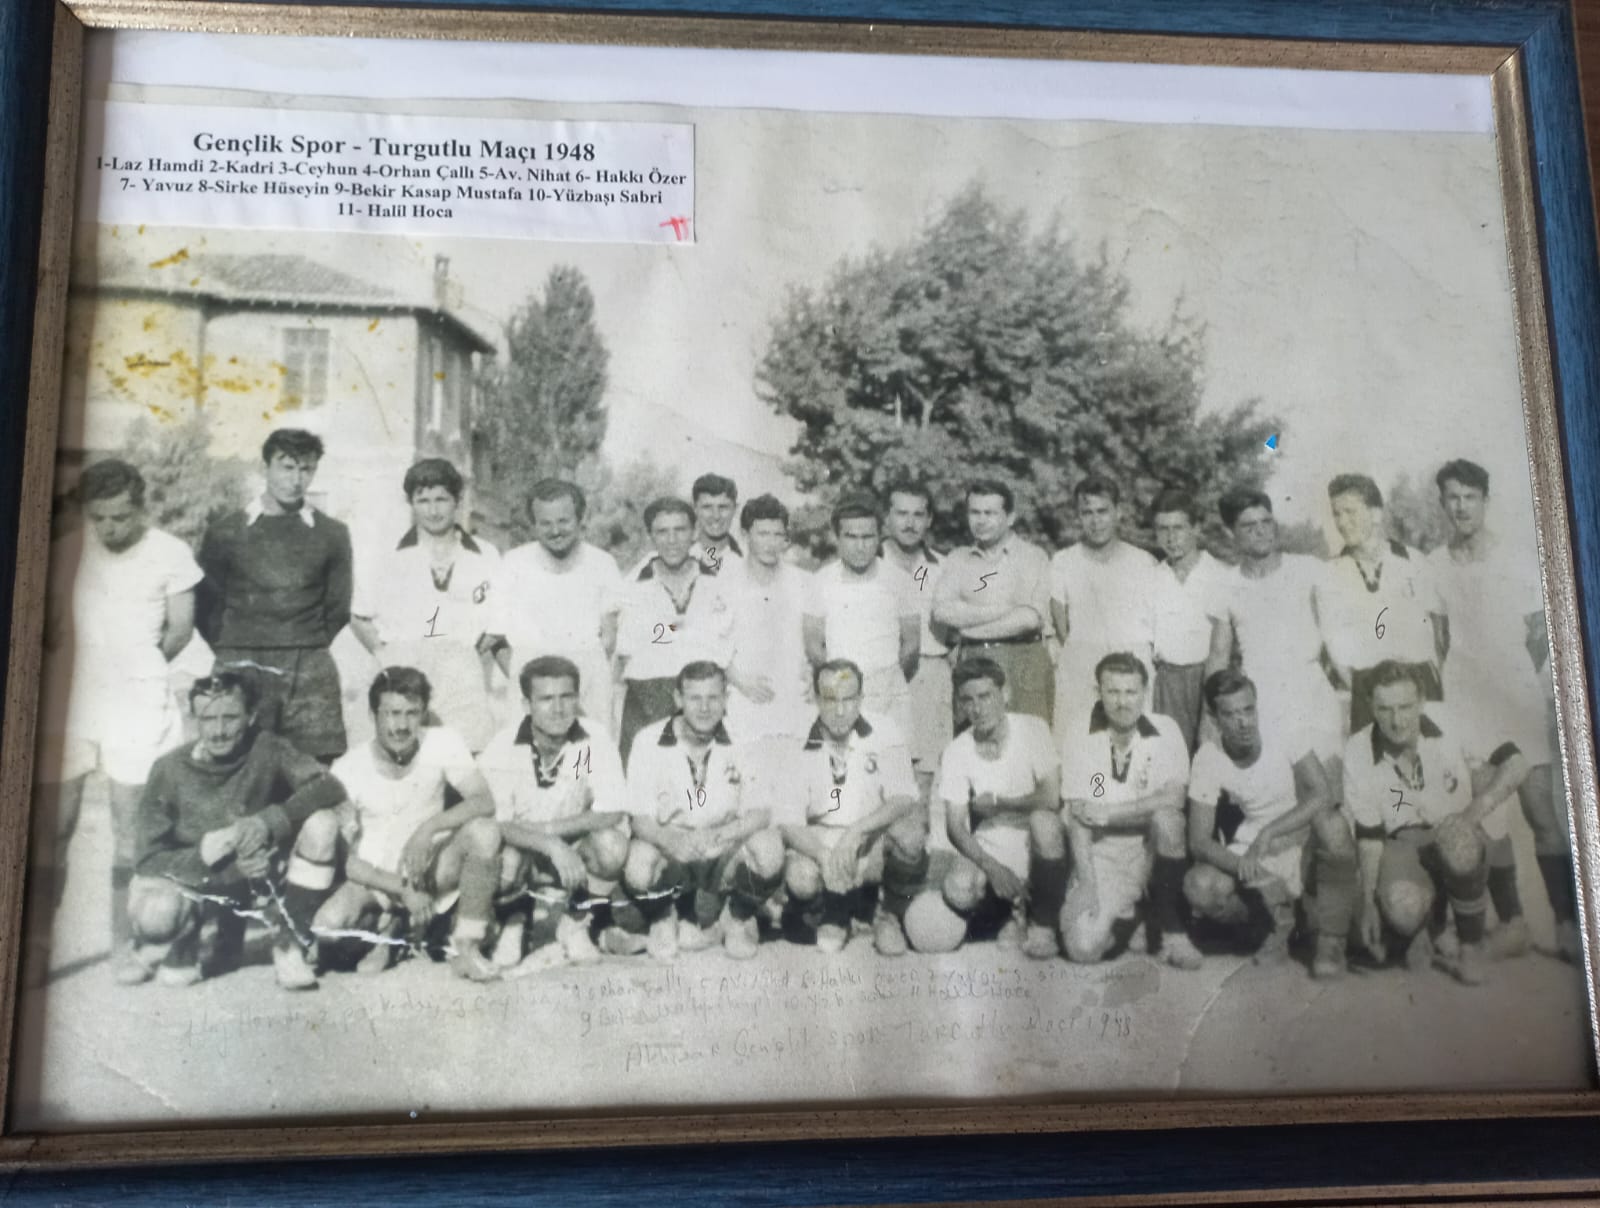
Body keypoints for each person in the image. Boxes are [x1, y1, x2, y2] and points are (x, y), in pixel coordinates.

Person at [31, 459, 202, 976]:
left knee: (130, 831)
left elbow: (180, 630)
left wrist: (138, 667)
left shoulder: (171, 553)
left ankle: (122, 946)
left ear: (141, 507)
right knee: (55, 827)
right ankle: (36, 944)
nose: (109, 528)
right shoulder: (66, 551)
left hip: (138, 701)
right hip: (73, 698)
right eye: (99, 518)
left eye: (121, 517)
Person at [1429, 458, 1577, 962]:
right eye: (1452, 497)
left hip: (1514, 694)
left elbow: (1539, 634)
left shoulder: (1515, 556)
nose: (1461, 506)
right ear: (1442, 503)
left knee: (1540, 811)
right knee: (1488, 816)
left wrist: (1514, 683)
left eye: (1470, 496)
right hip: (1467, 703)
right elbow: (1441, 640)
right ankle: (1513, 921)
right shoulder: (1436, 564)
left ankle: (1566, 923)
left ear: (1485, 501)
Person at [124, 672, 347, 988]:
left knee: (323, 824)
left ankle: (289, 943)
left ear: (251, 716)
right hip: (203, 876)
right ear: (195, 719)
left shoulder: (267, 747)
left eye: (229, 718)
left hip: (260, 870)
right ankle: (184, 943)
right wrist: (213, 861)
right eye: (208, 719)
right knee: (158, 916)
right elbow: (148, 860)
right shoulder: (169, 768)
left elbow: (328, 785)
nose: (218, 731)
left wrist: (269, 820)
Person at [301, 667, 503, 985]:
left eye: (412, 713)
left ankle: (467, 946)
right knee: (328, 927)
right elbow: (346, 860)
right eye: (392, 714)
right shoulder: (349, 767)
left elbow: (483, 801)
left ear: (423, 714)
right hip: (376, 882)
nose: (402, 725)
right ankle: (397, 929)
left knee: (485, 832)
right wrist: (400, 889)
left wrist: (428, 829)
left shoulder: (442, 742)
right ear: (373, 715)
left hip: (430, 871)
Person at [1344, 661, 1529, 986]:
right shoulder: (1358, 749)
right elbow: (1369, 836)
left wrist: (1470, 814)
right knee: (1401, 911)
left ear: (1421, 701)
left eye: (1405, 707)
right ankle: (1433, 925)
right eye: (1385, 709)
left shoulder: (1452, 720)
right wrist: (1370, 901)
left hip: (1459, 835)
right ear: (1371, 705)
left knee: (1458, 836)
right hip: (1406, 842)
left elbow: (1517, 763)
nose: (1397, 720)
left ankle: (1470, 946)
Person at [1184, 669, 1357, 978]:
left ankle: (1330, 939)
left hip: (1303, 839)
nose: (1244, 722)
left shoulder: (1282, 728)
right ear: (1214, 718)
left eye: (1248, 709)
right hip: (1256, 848)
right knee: (1199, 886)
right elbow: (1199, 841)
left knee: (1334, 826)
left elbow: (1322, 795)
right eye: (1231, 714)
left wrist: (1269, 832)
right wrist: (1250, 869)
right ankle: (1272, 924)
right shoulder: (1208, 757)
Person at [196, 428, 353, 761]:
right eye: (287, 467)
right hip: (240, 661)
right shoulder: (225, 532)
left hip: (308, 664)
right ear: (265, 467)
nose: (296, 480)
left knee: (313, 769)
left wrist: (301, 642)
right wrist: (236, 645)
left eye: (306, 469)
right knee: (237, 762)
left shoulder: (332, 534)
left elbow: (337, 608)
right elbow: (206, 606)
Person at [619, 661, 783, 960]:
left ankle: (736, 918)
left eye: (713, 698)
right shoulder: (648, 740)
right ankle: (663, 917)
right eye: (695, 698)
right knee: (638, 864)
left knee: (769, 849)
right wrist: (673, 841)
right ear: (678, 699)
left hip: (721, 848)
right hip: (674, 850)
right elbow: (640, 820)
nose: (704, 708)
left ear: (726, 698)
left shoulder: (744, 737)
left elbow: (761, 812)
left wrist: (721, 835)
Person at [478, 656, 629, 970]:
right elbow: (498, 823)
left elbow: (611, 810)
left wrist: (552, 835)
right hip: (521, 849)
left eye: (566, 697)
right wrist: (549, 844)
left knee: (612, 846)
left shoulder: (594, 737)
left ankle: (575, 922)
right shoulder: (502, 746)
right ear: (526, 704)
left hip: (571, 847)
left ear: (577, 698)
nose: (558, 709)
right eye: (546, 699)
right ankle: (514, 921)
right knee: (503, 858)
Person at [350, 458, 503, 752]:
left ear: (457, 501)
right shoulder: (387, 555)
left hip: (460, 673)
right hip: (402, 669)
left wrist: (467, 652)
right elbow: (359, 615)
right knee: (401, 756)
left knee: (464, 753)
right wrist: (386, 654)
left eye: (441, 500)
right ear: (411, 503)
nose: (433, 511)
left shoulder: (485, 554)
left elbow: (500, 619)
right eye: (423, 501)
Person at [915, 658, 1063, 957]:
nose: (977, 709)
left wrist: (998, 803)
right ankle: (1011, 914)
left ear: (1004, 694)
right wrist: (993, 868)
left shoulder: (1033, 729)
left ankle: (1042, 923)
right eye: (967, 700)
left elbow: (1051, 797)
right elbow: (955, 827)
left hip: (1037, 844)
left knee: (1044, 823)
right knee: (958, 889)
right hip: (991, 846)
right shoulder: (957, 750)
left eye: (985, 696)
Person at [777, 660, 927, 955]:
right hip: (822, 839)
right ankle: (831, 913)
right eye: (830, 699)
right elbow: (788, 822)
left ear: (861, 698)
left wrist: (857, 831)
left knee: (910, 835)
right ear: (816, 699)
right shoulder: (796, 737)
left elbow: (904, 798)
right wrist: (823, 855)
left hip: (870, 838)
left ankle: (889, 914)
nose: (840, 710)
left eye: (848, 699)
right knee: (801, 878)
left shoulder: (885, 729)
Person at [1060, 652, 1199, 968]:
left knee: (1168, 821)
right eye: (1113, 691)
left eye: (1131, 692)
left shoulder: (1164, 729)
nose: (1122, 702)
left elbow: (1174, 797)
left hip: (1149, 851)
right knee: (1083, 948)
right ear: (1098, 692)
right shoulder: (1083, 733)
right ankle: (1133, 917)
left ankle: (1172, 929)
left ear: (1145, 693)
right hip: (1104, 852)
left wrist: (1111, 813)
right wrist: (1087, 884)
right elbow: (1083, 811)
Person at [1207, 489, 1343, 787]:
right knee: (1281, 793)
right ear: (1231, 533)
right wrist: (1212, 720)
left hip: (1312, 694)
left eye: (1266, 522)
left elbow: (1338, 641)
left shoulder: (1308, 568)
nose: (1261, 531)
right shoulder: (1226, 585)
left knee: (1330, 790)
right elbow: (1218, 655)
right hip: (1263, 700)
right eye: (1249, 526)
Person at [613, 497, 735, 765]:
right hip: (649, 695)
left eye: (680, 530)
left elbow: (726, 639)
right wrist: (688, 625)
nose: (672, 540)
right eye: (662, 532)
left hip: (703, 693)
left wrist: (670, 627)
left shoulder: (716, 581)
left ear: (694, 532)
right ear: (651, 536)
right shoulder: (633, 585)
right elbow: (637, 643)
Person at [1319, 474, 1445, 731]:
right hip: (1368, 692)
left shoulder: (1414, 561)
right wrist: (1367, 694)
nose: (1342, 522)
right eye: (1336, 514)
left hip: (1421, 685)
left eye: (1350, 512)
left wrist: (1430, 679)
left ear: (1375, 514)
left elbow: (1439, 632)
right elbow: (1334, 649)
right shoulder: (1329, 575)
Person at [497, 479, 623, 729]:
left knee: (590, 749)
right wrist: (527, 682)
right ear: (533, 524)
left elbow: (609, 638)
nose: (555, 530)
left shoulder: (602, 563)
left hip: (589, 683)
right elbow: (497, 639)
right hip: (531, 680)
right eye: (545, 523)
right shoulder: (513, 563)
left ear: (579, 519)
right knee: (529, 750)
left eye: (564, 521)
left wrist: (581, 683)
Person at [932, 480, 1053, 725]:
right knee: (973, 738)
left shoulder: (1032, 557)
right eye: (975, 512)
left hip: (1022, 661)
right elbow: (942, 611)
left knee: (1026, 736)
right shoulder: (957, 559)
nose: (981, 520)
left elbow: (1029, 619)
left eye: (990, 513)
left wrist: (968, 630)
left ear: (1010, 517)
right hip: (973, 662)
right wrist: (1005, 609)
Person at [803, 494, 920, 741]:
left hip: (888, 692)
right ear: (837, 537)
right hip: (839, 692)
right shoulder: (820, 581)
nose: (860, 546)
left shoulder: (899, 580)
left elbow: (911, 644)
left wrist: (887, 679)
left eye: (867, 537)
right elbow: (813, 643)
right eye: (851, 537)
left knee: (891, 757)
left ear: (879, 537)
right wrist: (839, 684)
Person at [1049, 476, 1159, 734]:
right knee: (1076, 737)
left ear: (1118, 512)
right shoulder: (1063, 561)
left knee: (1136, 741)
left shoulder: (1143, 562)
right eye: (1087, 513)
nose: (1095, 521)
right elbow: (1060, 622)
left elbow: (1156, 623)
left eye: (1102, 511)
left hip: (1133, 662)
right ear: (1078, 516)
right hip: (1081, 664)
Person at [721, 493, 813, 743]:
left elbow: (818, 640)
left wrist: (814, 672)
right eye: (763, 534)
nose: (771, 543)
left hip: (795, 703)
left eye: (778, 535)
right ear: (745, 534)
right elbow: (709, 643)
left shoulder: (802, 581)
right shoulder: (725, 582)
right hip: (745, 703)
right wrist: (739, 681)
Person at [879, 481, 951, 794]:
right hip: (879, 673)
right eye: (901, 514)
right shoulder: (870, 562)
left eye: (918, 515)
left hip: (928, 673)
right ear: (886, 517)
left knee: (923, 774)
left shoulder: (943, 567)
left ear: (929, 519)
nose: (910, 523)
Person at [1149, 489, 1230, 752]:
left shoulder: (1218, 574)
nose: (1171, 538)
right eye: (1163, 529)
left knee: (1208, 756)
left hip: (1207, 679)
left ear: (1196, 528)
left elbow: (1221, 650)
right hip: (1166, 684)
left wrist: (1211, 703)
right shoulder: (1152, 577)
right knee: (1168, 759)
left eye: (1178, 528)